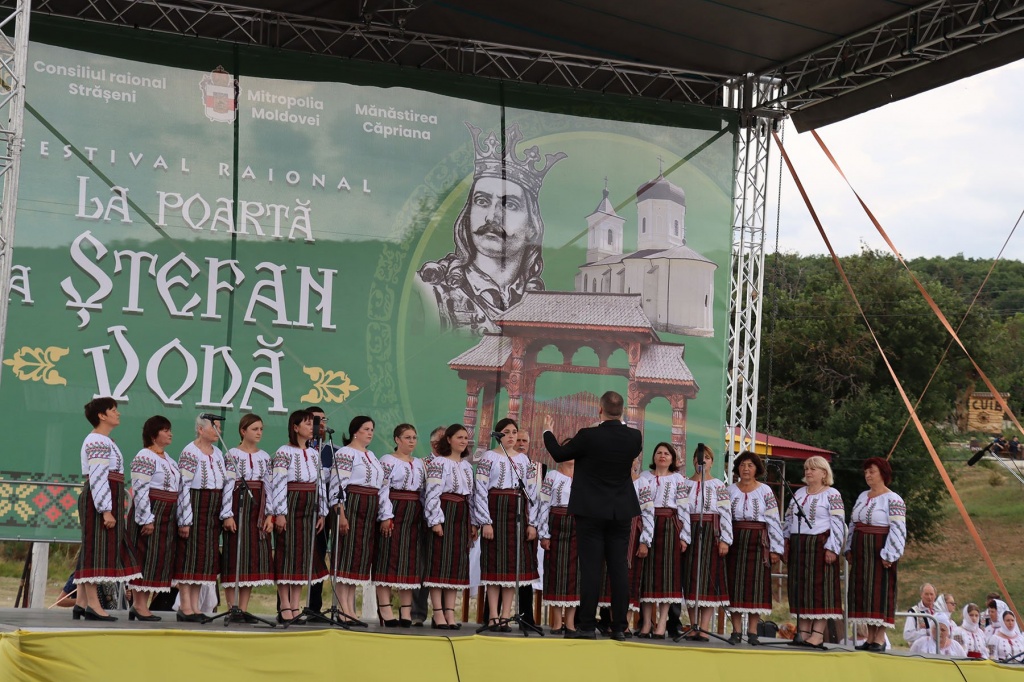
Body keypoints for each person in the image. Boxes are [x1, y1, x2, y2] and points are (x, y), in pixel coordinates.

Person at [416, 122, 566, 334]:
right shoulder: (426, 292)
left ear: (532, 227)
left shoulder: (543, 308)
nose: (492, 216)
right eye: (482, 201)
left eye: (510, 204)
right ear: (467, 216)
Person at [542, 390, 643, 641]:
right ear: (622, 411)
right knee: (619, 568)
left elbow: (559, 454)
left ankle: (587, 625)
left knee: (590, 568)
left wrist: (547, 431)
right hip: (620, 509)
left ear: (600, 409)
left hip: (590, 510)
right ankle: (619, 627)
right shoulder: (634, 437)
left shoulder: (588, 436)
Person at [74, 397, 141, 622]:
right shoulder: (97, 441)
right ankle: (93, 605)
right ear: (102, 415)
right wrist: (105, 510)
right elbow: (98, 476)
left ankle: (81, 602)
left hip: (107, 496)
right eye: (113, 410)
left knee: (95, 548)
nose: (117, 413)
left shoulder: (105, 440)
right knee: (96, 550)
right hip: (100, 499)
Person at [473, 417, 540, 631]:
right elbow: (480, 490)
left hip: (517, 512)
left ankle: (505, 615)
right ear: (498, 435)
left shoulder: (523, 460)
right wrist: (486, 521)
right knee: (495, 565)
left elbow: (532, 493)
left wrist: (532, 523)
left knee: (512, 567)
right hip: (495, 511)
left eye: (514, 432)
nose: (511, 436)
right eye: (507, 432)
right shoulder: (488, 457)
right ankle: (493, 615)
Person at [328, 416, 394, 624]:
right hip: (352, 505)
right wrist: (341, 514)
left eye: (372, 429)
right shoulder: (345, 453)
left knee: (358, 558)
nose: (370, 433)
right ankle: (343, 608)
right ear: (355, 431)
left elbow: (382, 486)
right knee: (346, 556)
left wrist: (384, 513)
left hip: (369, 508)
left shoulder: (371, 456)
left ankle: (350, 607)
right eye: (366, 429)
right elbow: (337, 485)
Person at [270, 409, 328, 624]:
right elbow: (278, 484)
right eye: (307, 424)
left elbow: (320, 483)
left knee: (303, 556)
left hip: (309, 506)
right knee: (287, 554)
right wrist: (280, 513)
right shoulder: (284, 452)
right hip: (291, 504)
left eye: (312, 424)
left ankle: (295, 605)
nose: (312, 428)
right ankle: (284, 605)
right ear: (295, 427)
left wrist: (322, 511)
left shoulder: (313, 453)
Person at [844, 456, 907, 652]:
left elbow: (898, 528)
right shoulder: (862, 496)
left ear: (883, 473)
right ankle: (870, 637)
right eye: (866, 472)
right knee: (864, 592)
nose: (868, 475)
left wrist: (890, 554)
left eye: (872, 471)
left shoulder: (893, 499)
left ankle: (879, 639)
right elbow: (853, 523)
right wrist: (849, 547)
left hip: (880, 550)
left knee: (880, 592)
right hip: (861, 550)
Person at [174, 414, 233, 622]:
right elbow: (184, 487)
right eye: (215, 427)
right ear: (201, 429)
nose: (219, 431)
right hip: (195, 505)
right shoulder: (190, 452)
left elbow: (225, 483)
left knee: (203, 558)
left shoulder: (218, 453)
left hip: (211, 510)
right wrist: (185, 520)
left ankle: (196, 606)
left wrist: (224, 512)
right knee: (188, 556)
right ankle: (185, 606)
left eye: (219, 427)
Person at [782, 455, 845, 648]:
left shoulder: (832, 494)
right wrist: (785, 541)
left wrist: (833, 548)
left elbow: (838, 523)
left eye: (813, 469)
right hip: (799, 545)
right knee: (801, 589)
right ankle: (803, 632)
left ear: (824, 473)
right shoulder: (799, 493)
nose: (808, 472)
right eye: (806, 468)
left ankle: (817, 635)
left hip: (820, 545)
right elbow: (789, 519)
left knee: (820, 590)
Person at [726, 450, 783, 645]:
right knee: (734, 583)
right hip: (734, 540)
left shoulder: (765, 491)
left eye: (750, 465)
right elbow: (724, 517)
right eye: (742, 465)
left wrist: (775, 548)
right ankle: (735, 631)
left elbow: (773, 519)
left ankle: (752, 632)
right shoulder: (730, 490)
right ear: (737, 468)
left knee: (756, 584)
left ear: (757, 469)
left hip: (758, 540)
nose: (746, 468)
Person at [422, 424, 477, 629]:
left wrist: (473, 522)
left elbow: (471, 497)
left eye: (465, 438)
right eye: (459, 437)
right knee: (439, 562)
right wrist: (435, 520)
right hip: (445, 512)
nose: (463, 441)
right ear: (448, 439)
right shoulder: (439, 463)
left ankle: (450, 613)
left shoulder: (466, 466)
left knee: (456, 564)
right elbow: (432, 493)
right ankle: (438, 613)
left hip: (462, 515)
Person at [127, 415, 180, 621]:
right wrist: (146, 518)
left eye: (170, 430)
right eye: (165, 430)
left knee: (158, 559)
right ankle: (139, 605)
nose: (170, 434)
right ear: (153, 434)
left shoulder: (169, 460)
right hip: (151, 510)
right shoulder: (144, 456)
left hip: (167, 513)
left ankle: (142, 605)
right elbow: (140, 488)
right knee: (145, 557)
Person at [222, 414, 274, 619]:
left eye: (261, 429)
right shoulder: (232, 455)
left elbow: (269, 486)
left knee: (251, 557)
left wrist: (269, 514)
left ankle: (242, 609)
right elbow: (227, 485)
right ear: (243, 431)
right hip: (237, 506)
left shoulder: (265, 457)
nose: (259, 432)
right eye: (254, 429)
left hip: (257, 509)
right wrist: (227, 514)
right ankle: (231, 608)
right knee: (233, 556)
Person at [374, 424, 426, 627]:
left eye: (414, 437)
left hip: (413, 514)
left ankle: (406, 611)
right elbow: (383, 489)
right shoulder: (387, 460)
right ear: (397, 439)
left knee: (409, 560)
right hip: (394, 509)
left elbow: (423, 491)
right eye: (407, 437)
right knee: (387, 557)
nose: (412, 441)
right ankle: (385, 610)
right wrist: (386, 515)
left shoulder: (419, 463)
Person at [636, 442, 690, 639]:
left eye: (667, 453)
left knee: (667, 575)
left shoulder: (678, 479)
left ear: (672, 458)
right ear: (654, 456)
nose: (662, 456)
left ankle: (661, 623)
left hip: (669, 526)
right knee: (647, 574)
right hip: (646, 526)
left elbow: (684, 508)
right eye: (659, 452)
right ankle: (646, 623)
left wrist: (684, 536)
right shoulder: (644, 477)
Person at [681, 444, 732, 641]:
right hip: (689, 531)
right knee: (691, 577)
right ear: (694, 461)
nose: (702, 461)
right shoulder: (684, 484)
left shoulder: (718, 485)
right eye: (699, 458)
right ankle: (693, 625)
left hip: (711, 531)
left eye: (707, 458)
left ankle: (704, 628)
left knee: (709, 579)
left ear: (711, 462)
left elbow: (725, 513)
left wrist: (725, 539)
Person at [410, 425, 448, 627]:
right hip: (424, 520)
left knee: (443, 565)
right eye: (444, 439)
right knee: (422, 565)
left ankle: (443, 613)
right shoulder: (422, 463)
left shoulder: (455, 463)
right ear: (434, 444)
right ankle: (417, 613)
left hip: (449, 520)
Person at [538, 453, 579, 634]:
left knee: (575, 573)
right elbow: (543, 504)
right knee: (555, 571)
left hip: (578, 526)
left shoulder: (584, 476)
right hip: (556, 524)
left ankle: (570, 623)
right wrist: (544, 534)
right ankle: (556, 622)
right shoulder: (552, 476)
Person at [306, 406, 336, 613]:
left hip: (325, 510)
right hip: (301, 506)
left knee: (319, 555)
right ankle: (286, 607)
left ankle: (314, 607)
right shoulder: (296, 449)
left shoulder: (333, 450)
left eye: (323, 420)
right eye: (315, 421)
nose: (320, 424)